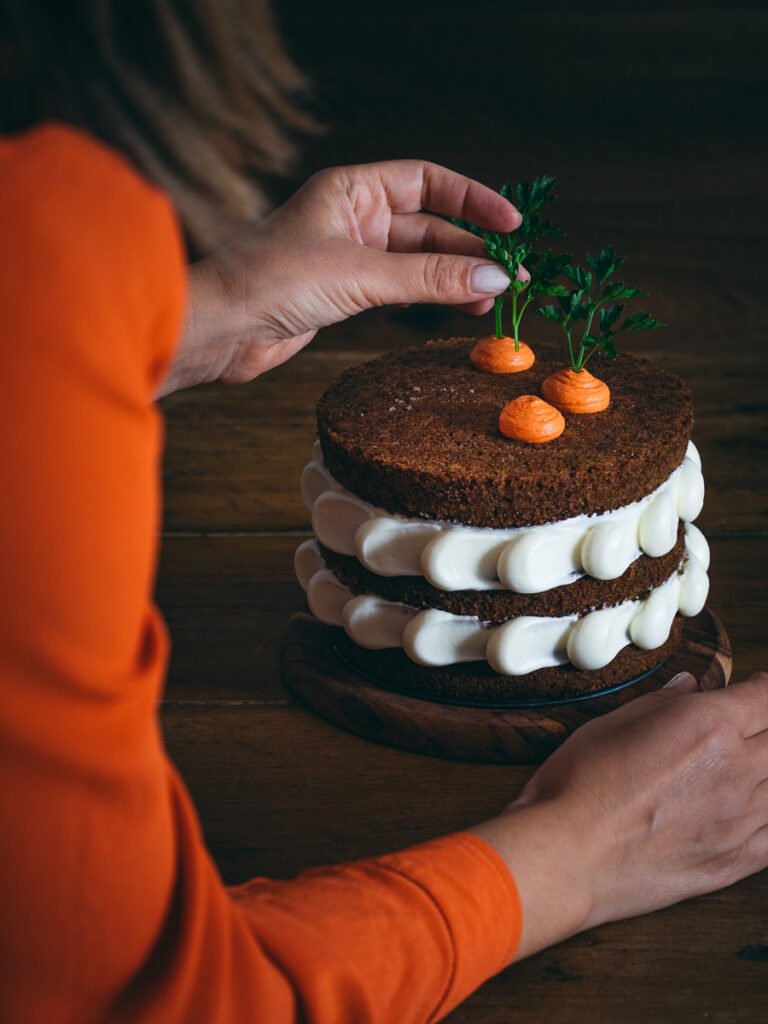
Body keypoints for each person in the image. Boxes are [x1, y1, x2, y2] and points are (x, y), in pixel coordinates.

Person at [1, 3, 767, 1022]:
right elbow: (152, 999)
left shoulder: (41, 244)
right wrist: (579, 853)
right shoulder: (50, 222)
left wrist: (195, 316)